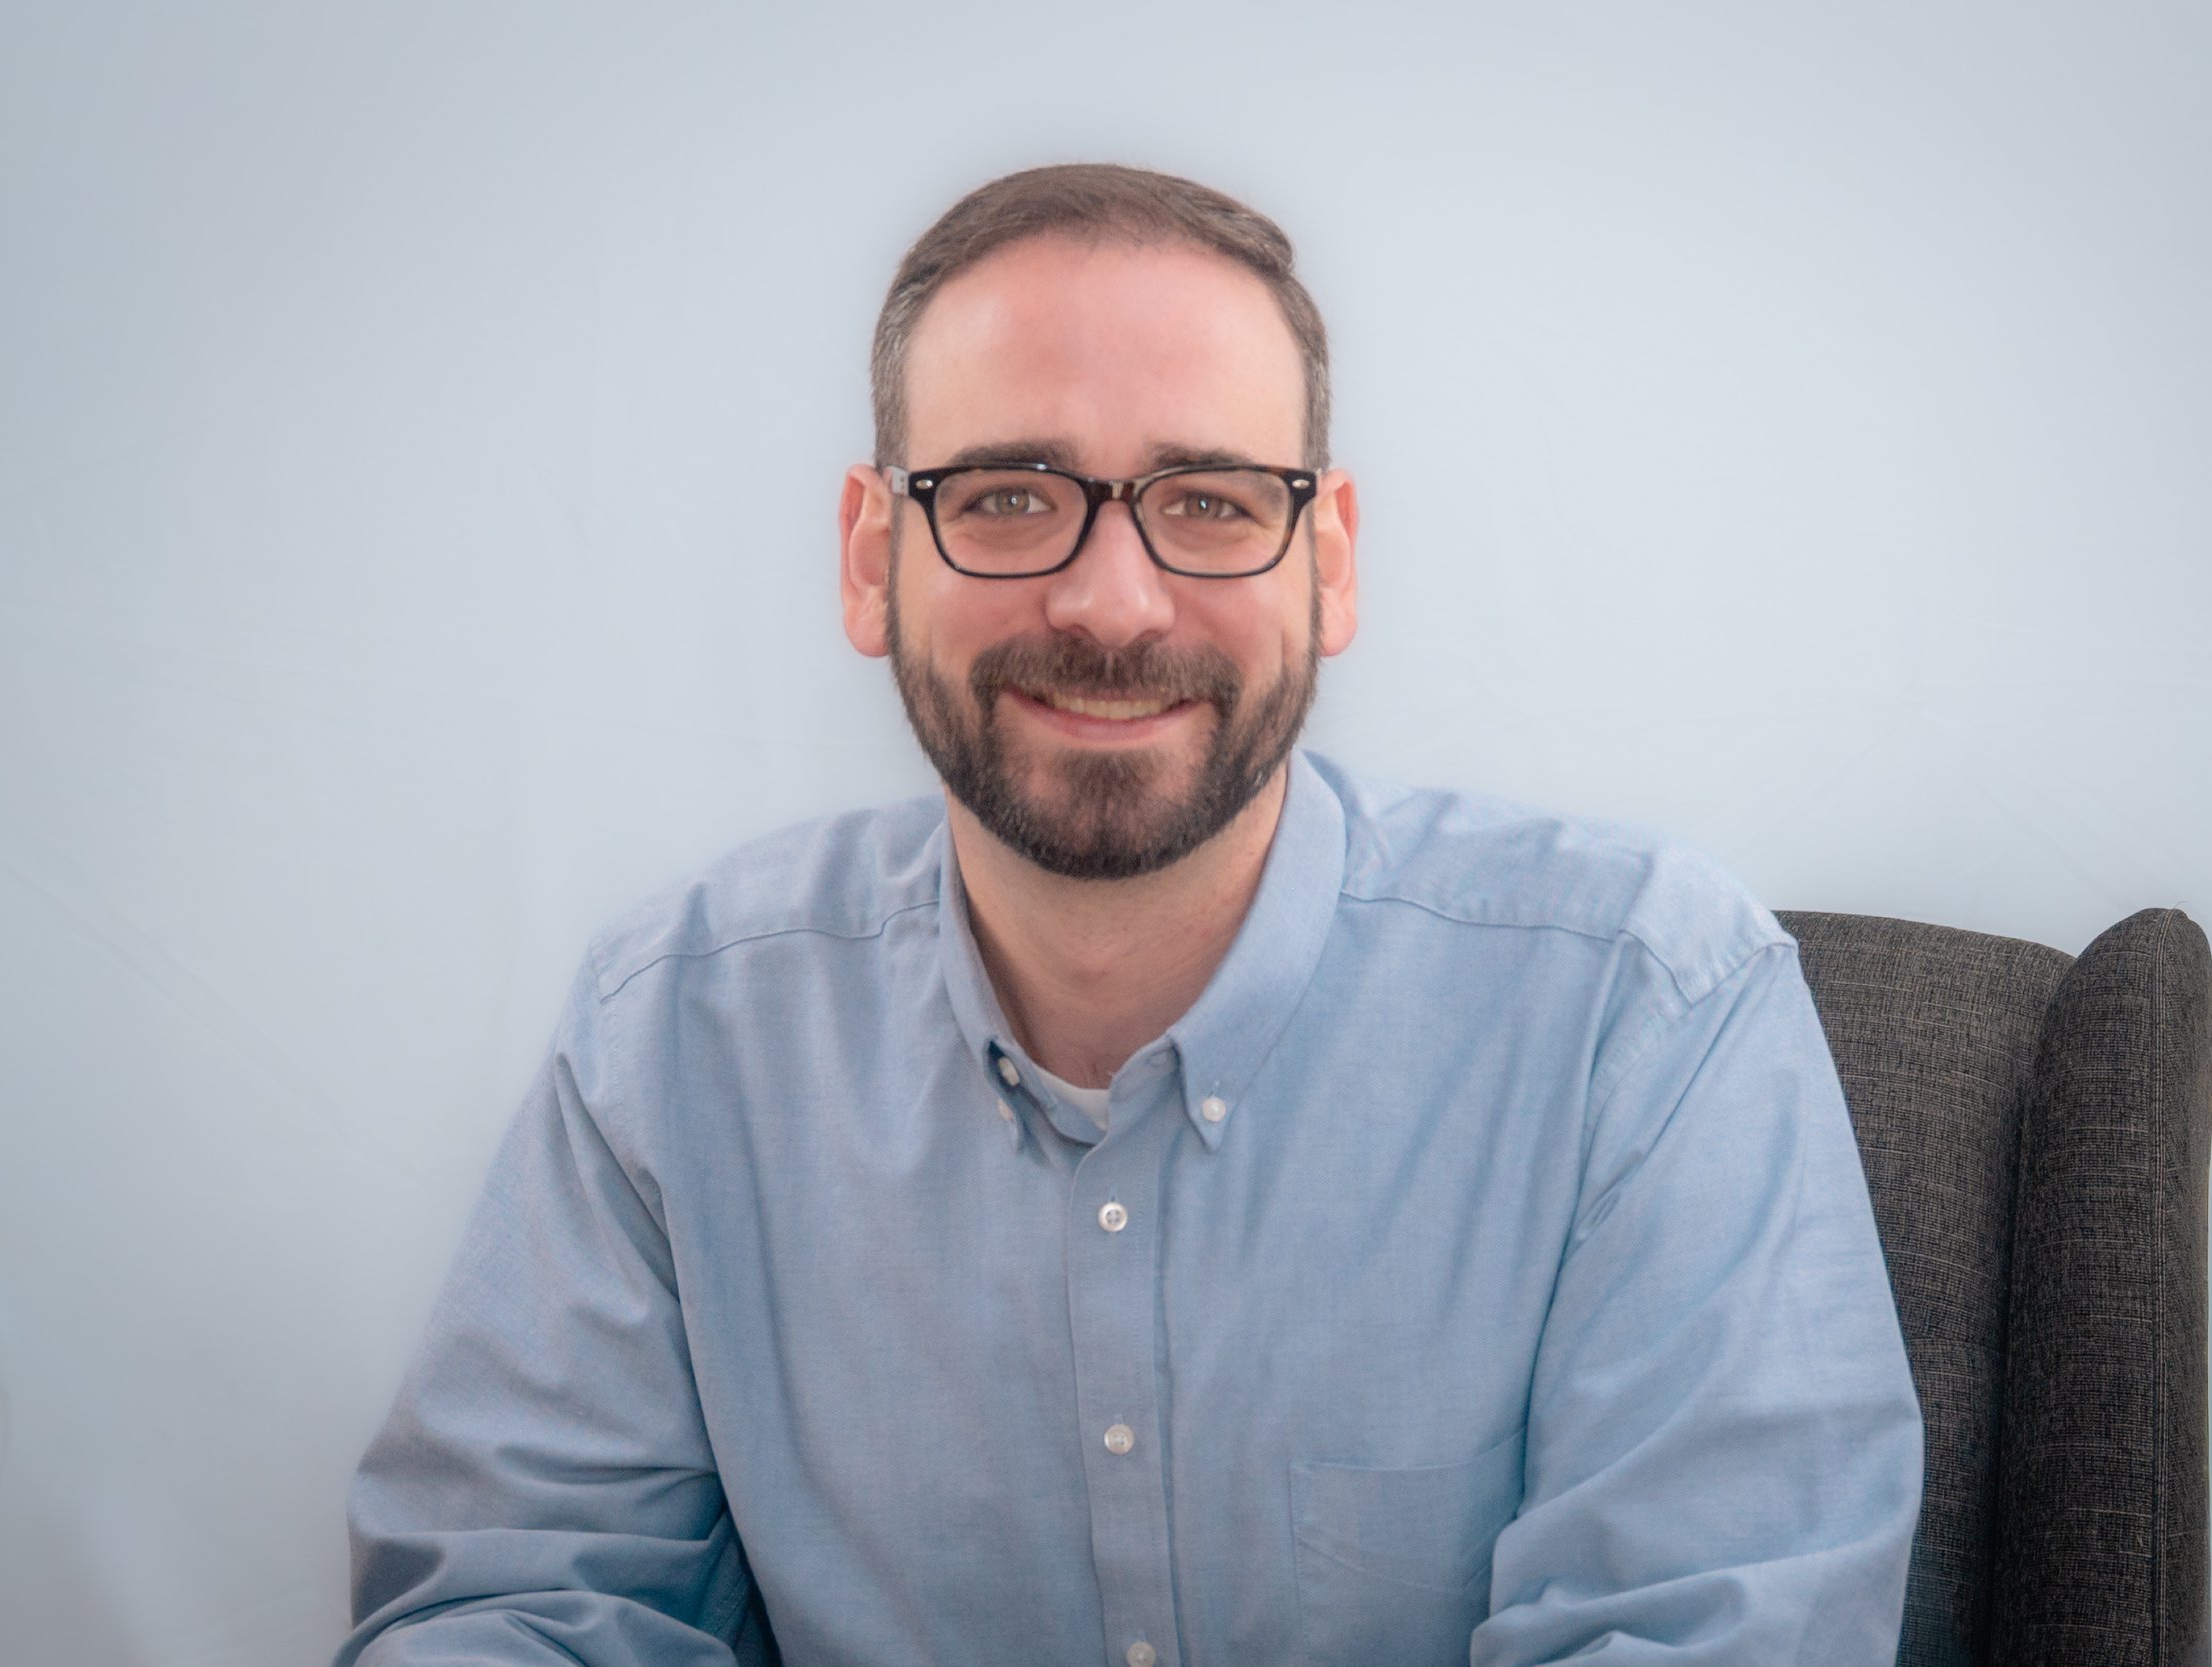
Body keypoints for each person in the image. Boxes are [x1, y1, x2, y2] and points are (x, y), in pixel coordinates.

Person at [339, 163, 1923, 1667]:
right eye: (1009, 496)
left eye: (1212, 502)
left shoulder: (1646, 1012)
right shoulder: (673, 1038)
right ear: (873, 559)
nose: (1111, 603)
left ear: (1330, 564)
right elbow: (519, 1606)